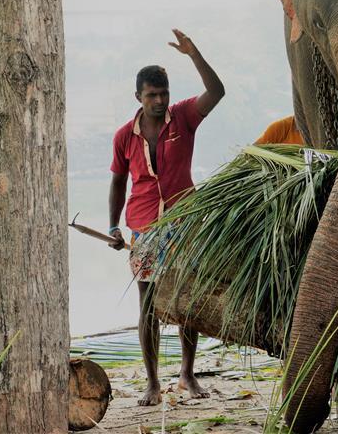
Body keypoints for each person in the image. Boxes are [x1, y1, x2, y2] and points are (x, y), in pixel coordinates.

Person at [107, 28, 224, 406]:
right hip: (144, 228)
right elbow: (117, 183)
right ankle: (153, 383)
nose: (159, 101)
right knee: (148, 303)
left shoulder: (185, 117)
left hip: (184, 222)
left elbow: (217, 92)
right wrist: (113, 226)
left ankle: (187, 374)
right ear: (138, 97)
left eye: (163, 94)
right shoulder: (125, 135)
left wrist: (194, 53)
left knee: (187, 298)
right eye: (151, 95)